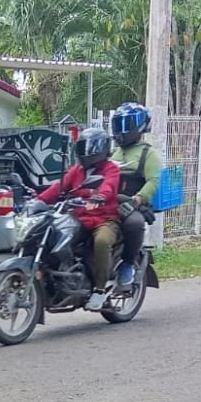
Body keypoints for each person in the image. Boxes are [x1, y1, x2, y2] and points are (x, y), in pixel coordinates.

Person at [36, 126, 122, 311]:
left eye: (89, 148)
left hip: (104, 219)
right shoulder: (77, 170)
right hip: (80, 218)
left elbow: (109, 186)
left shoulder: (111, 169)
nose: (85, 152)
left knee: (101, 241)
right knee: (54, 233)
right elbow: (60, 186)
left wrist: (98, 197)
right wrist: (38, 201)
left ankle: (99, 290)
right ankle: (60, 278)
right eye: (82, 147)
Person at [109, 102, 163, 289]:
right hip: (108, 202)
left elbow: (153, 182)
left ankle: (127, 264)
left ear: (139, 126)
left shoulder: (149, 154)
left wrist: (137, 200)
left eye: (127, 124)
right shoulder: (115, 152)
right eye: (119, 124)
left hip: (132, 204)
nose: (121, 130)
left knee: (134, 223)